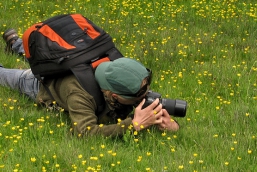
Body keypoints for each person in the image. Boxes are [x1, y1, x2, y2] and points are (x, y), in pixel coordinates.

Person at [0, 28, 179, 137]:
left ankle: (15, 43)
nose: (144, 97)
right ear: (114, 96)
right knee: (6, 75)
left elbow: (135, 93)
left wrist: (170, 125)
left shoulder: (123, 77)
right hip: (41, 82)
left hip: (72, 60)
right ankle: (17, 47)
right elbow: (85, 132)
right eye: (137, 98)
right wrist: (132, 125)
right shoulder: (79, 93)